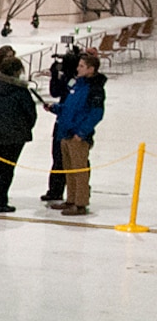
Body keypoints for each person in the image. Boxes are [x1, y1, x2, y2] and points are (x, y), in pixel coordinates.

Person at [45, 51, 105, 216]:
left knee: (79, 170)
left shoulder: (95, 88)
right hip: (65, 132)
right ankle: (71, 199)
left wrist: (82, 132)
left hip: (77, 135)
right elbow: (69, 106)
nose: (77, 69)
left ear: (91, 69)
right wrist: (55, 108)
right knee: (68, 169)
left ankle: (80, 203)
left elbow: (96, 113)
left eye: (81, 66)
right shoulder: (78, 84)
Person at [0, 56, 37, 214]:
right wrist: (24, 127)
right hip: (14, 137)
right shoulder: (20, 91)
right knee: (7, 169)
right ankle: (1, 201)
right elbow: (30, 113)